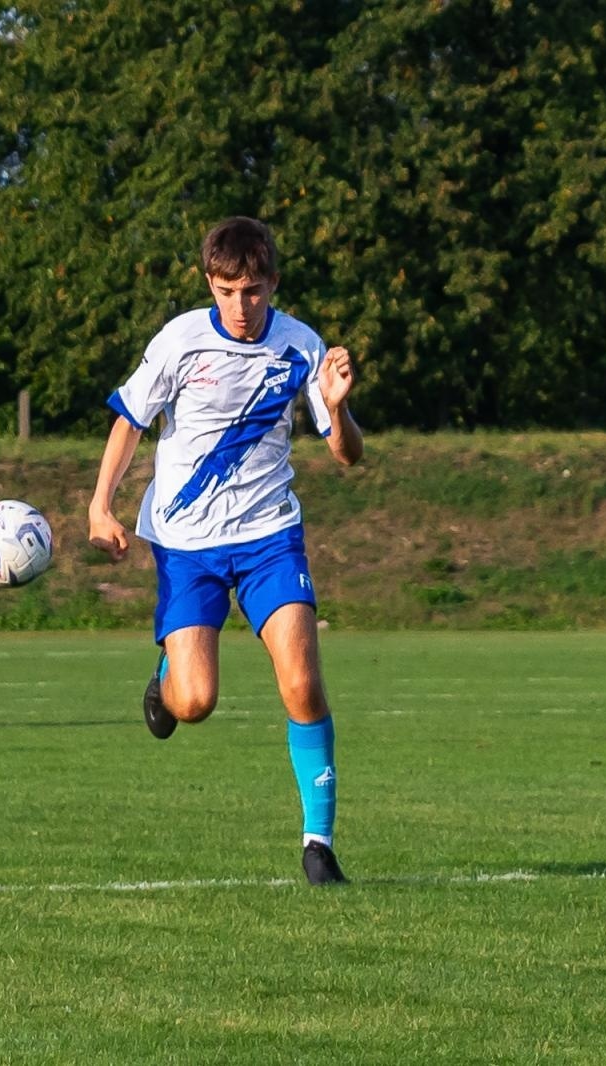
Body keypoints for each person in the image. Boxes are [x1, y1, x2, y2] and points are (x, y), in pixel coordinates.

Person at [87, 217, 363, 885]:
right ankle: (167, 678)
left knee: (302, 684)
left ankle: (319, 844)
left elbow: (348, 455)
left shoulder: (302, 347)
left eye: (254, 291)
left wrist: (338, 408)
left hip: (270, 536)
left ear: (273, 283)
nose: (242, 305)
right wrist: (100, 505)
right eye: (227, 291)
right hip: (187, 544)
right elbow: (130, 420)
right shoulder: (180, 341)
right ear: (210, 283)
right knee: (196, 702)